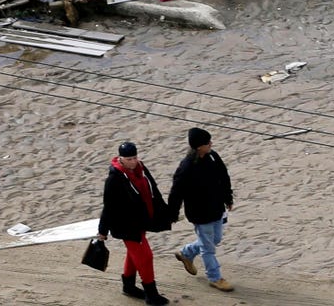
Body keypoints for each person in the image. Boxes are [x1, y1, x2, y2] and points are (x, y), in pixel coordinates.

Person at [96, 141, 171, 304]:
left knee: (134, 254)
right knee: (146, 257)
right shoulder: (114, 179)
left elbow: (154, 190)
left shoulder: (141, 169)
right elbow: (108, 207)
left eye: (134, 158)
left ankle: (128, 286)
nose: (133, 162)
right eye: (128, 159)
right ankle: (151, 294)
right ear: (120, 159)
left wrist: (163, 211)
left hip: (142, 221)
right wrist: (102, 232)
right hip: (126, 225)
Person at [167, 126, 236, 292]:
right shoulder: (186, 167)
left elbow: (224, 176)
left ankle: (186, 253)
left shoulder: (213, 157)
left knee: (215, 240)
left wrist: (228, 198)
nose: (211, 144)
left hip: (216, 209)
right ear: (199, 146)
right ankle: (215, 278)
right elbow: (176, 192)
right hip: (200, 214)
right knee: (208, 248)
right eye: (207, 142)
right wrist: (172, 213)